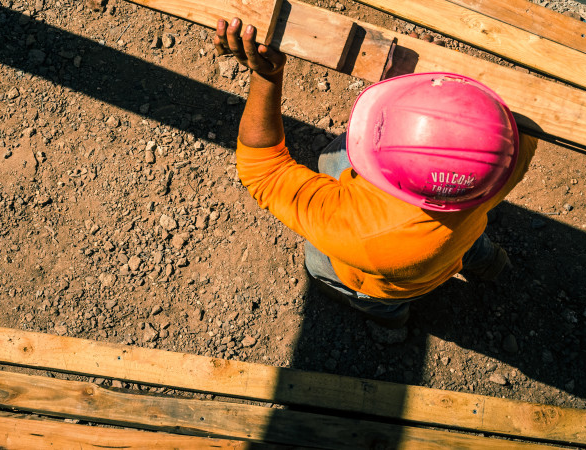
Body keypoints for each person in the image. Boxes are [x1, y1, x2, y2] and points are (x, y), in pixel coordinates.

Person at [214, 17, 537, 328]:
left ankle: (390, 317)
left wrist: (267, 76)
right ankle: (490, 262)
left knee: (321, 265)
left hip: (390, 281)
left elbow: (264, 171)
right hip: (460, 232)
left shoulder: (362, 233)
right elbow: (469, 116)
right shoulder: (510, 148)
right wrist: (430, 81)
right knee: (467, 242)